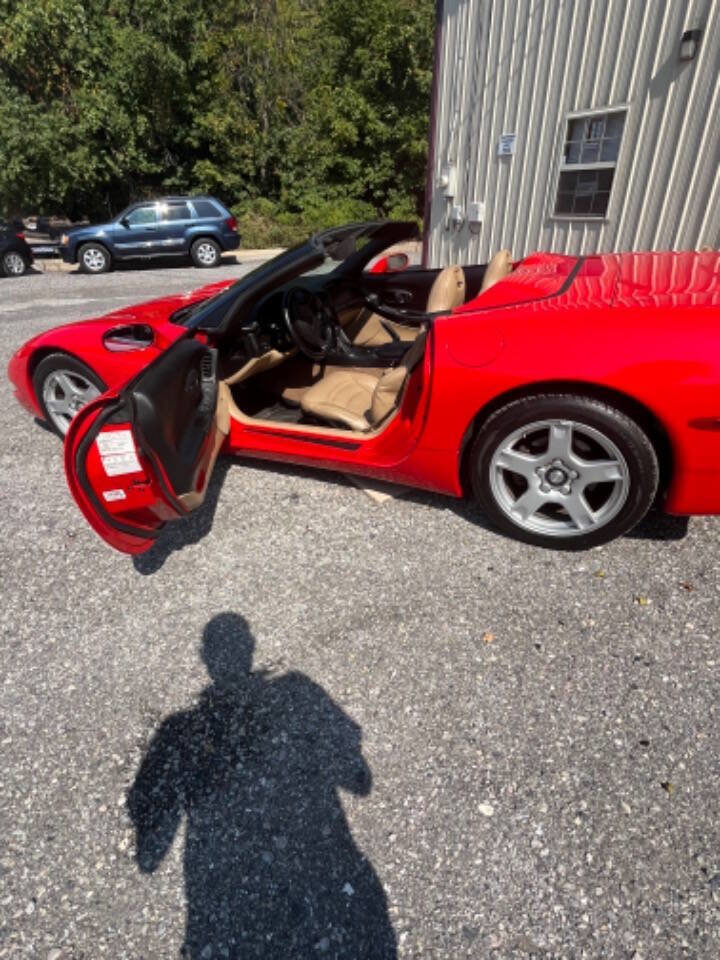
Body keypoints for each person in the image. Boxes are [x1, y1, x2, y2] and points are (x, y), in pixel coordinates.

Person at [128, 613, 396, 959]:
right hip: (321, 870)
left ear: (204, 656)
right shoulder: (297, 687)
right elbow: (360, 782)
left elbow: (148, 851)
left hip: (220, 897)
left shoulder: (176, 728)